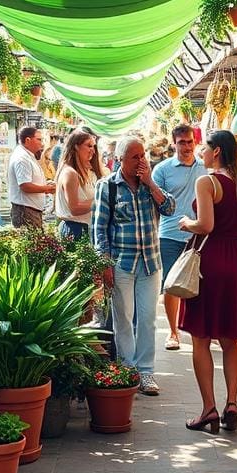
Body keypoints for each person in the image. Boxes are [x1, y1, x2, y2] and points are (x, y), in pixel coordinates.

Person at [177, 130, 237, 434]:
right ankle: (233, 403)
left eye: (205, 147)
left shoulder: (207, 182)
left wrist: (188, 223)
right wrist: (231, 234)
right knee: (230, 339)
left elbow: (206, 224)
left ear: (217, 152)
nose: (201, 151)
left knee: (201, 338)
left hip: (209, 261)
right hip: (236, 261)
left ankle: (209, 409)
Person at [92, 137, 175, 396]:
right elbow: (99, 228)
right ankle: (128, 370)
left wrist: (151, 183)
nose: (141, 161)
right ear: (120, 160)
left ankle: (146, 371)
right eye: (134, 157)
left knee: (148, 319)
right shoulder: (107, 187)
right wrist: (104, 262)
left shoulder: (150, 185)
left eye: (143, 156)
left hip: (150, 263)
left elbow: (170, 208)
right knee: (124, 319)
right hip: (122, 263)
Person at [151, 124, 206, 351]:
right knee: (171, 285)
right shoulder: (162, 170)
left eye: (190, 141)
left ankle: (198, 330)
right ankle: (173, 332)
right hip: (171, 234)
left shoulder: (205, 167)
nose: (186, 146)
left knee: (199, 285)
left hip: (200, 234)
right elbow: (154, 204)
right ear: (173, 144)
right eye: (181, 142)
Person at [55, 130, 100, 240]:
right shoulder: (70, 173)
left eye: (93, 147)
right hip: (76, 229)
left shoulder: (80, 172)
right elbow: (75, 208)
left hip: (82, 228)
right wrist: (101, 201)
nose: (93, 151)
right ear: (76, 146)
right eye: (89, 146)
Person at [8, 126, 55, 227]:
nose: (41, 143)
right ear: (28, 140)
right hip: (25, 211)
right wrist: (46, 188)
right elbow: (25, 186)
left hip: (30, 210)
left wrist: (45, 186)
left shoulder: (27, 155)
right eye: (38, 139)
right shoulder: (22, 158)